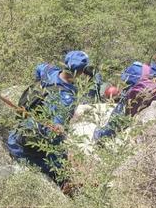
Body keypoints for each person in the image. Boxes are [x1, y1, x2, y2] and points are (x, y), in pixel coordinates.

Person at [6, 51, 93, 185]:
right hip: (25, 151)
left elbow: (39, 67)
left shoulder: (49, 71)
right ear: (81, 72)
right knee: (57, 164)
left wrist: (39, 85)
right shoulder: (66, 99)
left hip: (17, 134)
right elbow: (55, 134)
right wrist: (61, 170)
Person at [93, 43, 156, 140]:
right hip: (146, 121)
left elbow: (123, 79)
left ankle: (102, 136)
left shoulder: (137, 69)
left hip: (124, 111)